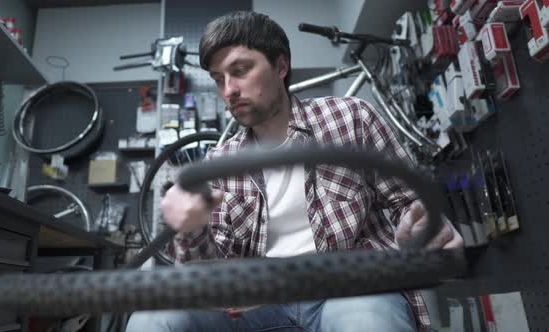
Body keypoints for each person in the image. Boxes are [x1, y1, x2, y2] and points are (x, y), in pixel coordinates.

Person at [126, 11, 463, 332]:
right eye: (218, 80)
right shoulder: (219, 164)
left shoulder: (351, 118)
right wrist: (192, 229)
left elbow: (410, 201)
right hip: (256, 303)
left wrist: (423, 229)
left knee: (367, 320)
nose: (228, 90)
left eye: (240, 70)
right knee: (153, 318)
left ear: (281, 65)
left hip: (349, 287)